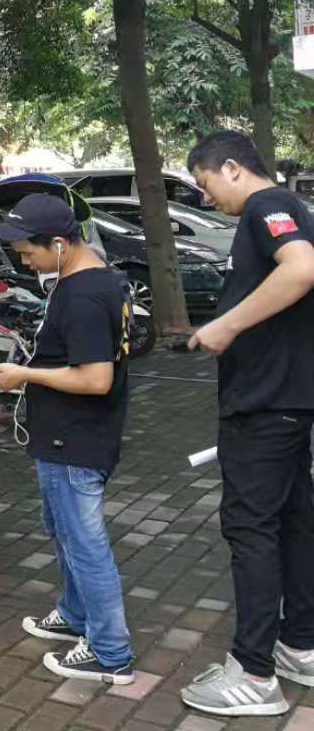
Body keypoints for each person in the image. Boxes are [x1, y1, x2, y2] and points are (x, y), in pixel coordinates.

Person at [178, 131, 314, 717]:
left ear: (232, 168)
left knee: (250, 528)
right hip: (286, 401)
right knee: (294, 522)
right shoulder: (284, 209)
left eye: (205, 183)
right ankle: (300, 645)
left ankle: (254, 674)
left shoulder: (268, 205)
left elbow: (302, 269)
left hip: (263, 406)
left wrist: (226, 325)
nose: (206, 198)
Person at [0, 196, 136, 683]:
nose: (25, 262)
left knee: (85, 544)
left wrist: (25, 374)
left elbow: (96, 378)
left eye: (29, 252)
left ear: (58, 243)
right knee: (63, 531)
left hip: (76, 440)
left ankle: (110, 652)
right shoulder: (93, 280)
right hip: (65, 437)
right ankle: (74, 614)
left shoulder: (84, 294)